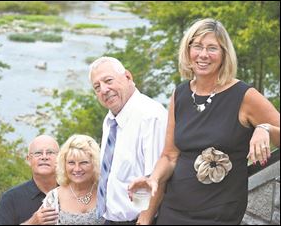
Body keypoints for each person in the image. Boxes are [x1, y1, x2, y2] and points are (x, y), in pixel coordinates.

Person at [128, 18, 280, 225]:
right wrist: (152, 180)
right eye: (197, 46)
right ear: (188, 50)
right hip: (173, 212)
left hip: (219, 216)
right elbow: (170, 156)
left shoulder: (245, 96)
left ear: (224, 54)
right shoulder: (180, 94)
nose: (203, 54)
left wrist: (266, 128)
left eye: (212, 48)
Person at [89, 56, 168, 224]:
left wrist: (144, 219)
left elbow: (156, 179)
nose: (103, 90)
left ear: (128, 77)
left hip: (138, 221)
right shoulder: (110, 120)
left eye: (108, 80)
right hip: (108, 219)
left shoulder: (150, 116)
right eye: (97, 87)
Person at [0, 135, 60, 225]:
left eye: (50, 152)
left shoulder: (72, 193)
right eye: (38, 153)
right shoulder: (11, 198)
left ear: (60, 158)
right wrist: (31, 223)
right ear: (28, 159)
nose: (44, 157)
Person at [42, 134, 104, 225]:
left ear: (95, 164)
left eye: (84, 162)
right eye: (71, 163)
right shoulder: (54, 198)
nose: (77, 169)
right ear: (64, 164)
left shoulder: (106, 193)